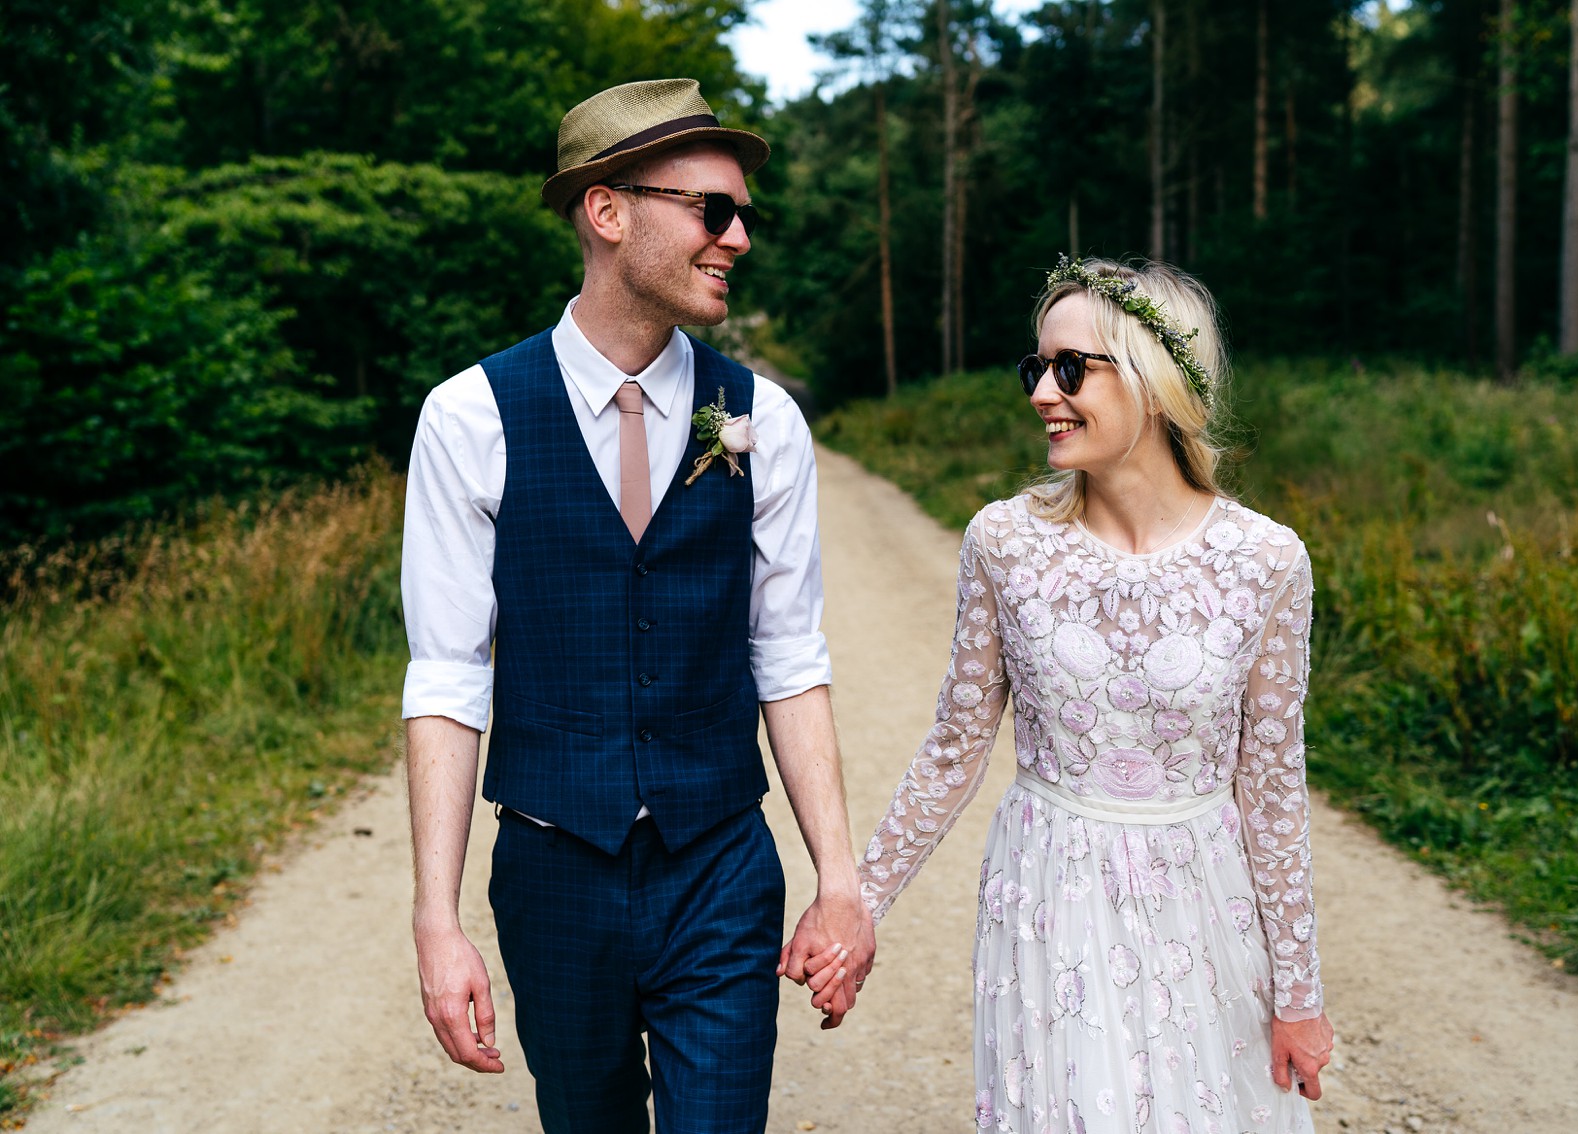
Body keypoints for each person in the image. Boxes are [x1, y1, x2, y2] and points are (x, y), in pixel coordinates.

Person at [398, 78, 874, 1134]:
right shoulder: (469, 417)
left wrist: (838, 880)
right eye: (713, 209)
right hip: (551, 869)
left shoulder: (763, 420)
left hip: (718, 867)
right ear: (608, 212)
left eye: (745, 213)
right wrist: (436, 918)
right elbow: (445, 674)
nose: (739, 236)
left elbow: (788, 654)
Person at [851, 257, 1332, 1132]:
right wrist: (859, 904)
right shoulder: (1005, 541)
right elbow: (955, 747)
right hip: (1052, 889)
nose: (1042, 392)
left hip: (1204, 902)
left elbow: (1270, 791)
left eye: (1070, 368)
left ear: (1153, 379)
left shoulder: (1267, 562)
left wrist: (1299, 995)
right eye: (1034, 367)